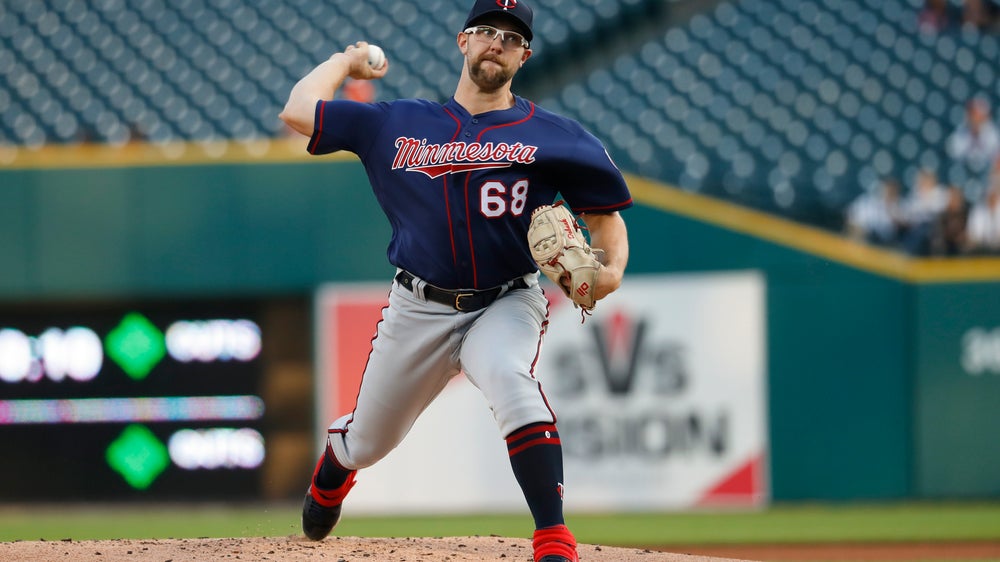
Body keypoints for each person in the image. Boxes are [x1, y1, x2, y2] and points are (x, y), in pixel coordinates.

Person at [278, 2, 632, 561]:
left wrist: (609, 270)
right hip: (418, 305)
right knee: (370, 441)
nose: (498, 42)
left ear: (525, 55)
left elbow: (607, 217)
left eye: (512, 38)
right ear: (463, 42)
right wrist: (344, 62)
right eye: (487, 31)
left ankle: (552, 537)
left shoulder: (555, 136)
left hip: (507, 300)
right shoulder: (395, 123)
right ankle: (337, 462)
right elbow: (298, 110)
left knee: (512, 380)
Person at [946, 97, 1000, 201]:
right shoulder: (961, 131)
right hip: (964, 175)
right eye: (973, 115)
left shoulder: (992, 132)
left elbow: (995, 158)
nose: (975, 119)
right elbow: (953, 153)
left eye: (978, 115)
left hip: (986, 176)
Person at [844, 176, 905, 248]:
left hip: (882, 244)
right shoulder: (867, 201)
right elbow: (850, 216)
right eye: (888, 189)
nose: (889, 192)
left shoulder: (900, 207)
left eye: (893, 190)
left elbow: (899, 227)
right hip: (859, 236)